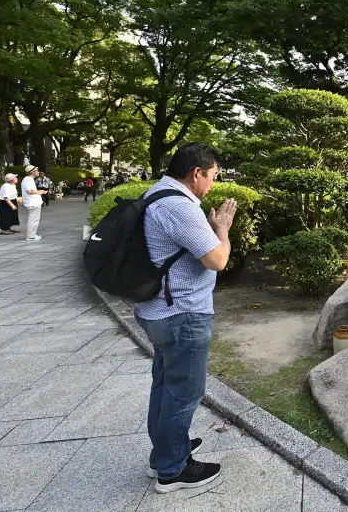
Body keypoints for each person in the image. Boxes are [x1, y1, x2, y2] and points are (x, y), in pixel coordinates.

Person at [134, 142, 236, 494]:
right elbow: (217, 260)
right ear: (196, 173)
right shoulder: (180, 207)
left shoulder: (156, 193)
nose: (212, 184)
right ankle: (173, 469)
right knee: (184, 392)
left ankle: (164, 452)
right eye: (212, 176)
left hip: (157, 311)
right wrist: (221, 227)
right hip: (181, 313)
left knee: (165, 384)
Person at [21, 165, 47, 241]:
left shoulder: (28, 179)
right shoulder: (28, 179)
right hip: (33, 202)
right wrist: (40, 192)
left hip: (32, 202)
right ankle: (31, 236)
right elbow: (29, 191)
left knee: (33, 219)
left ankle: (32, 235)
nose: (38, 172)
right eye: (37, 170)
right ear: (33, 172)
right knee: (33, 220)